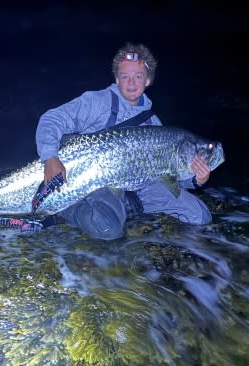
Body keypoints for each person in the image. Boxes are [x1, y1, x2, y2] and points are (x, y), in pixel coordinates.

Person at [35, 43, 213, 240]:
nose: (131, 83)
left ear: (148, 80)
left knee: (200, 216)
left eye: (138, 76)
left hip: (141, 188)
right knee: (107, 229)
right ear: (116, 79)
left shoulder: (154, 123)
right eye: (125, 76)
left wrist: (196, 179)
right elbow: (51, 119)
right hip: (97, 181)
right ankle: (66, 207)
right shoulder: (97, 102)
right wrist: (50, 157)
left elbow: (171, 176)